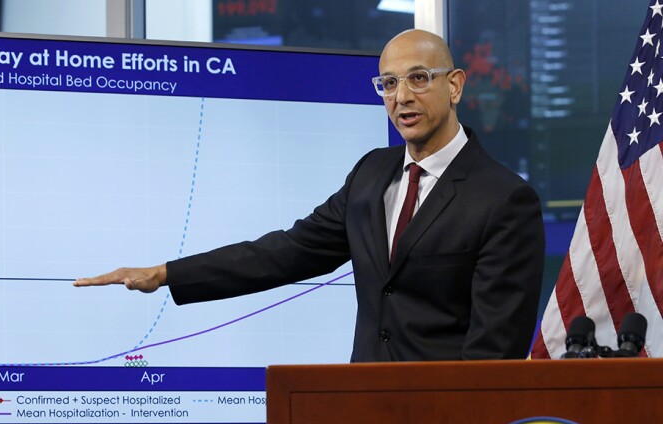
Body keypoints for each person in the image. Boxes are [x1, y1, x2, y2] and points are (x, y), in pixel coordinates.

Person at [74, 29, 545, 362]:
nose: (401, 96)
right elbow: (284, 253)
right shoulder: (371, 174)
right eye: (389, 83)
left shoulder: (504, 201)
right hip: (360, 415)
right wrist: (167, 274)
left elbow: (493, 355)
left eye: (418, 78)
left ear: (455, 84)